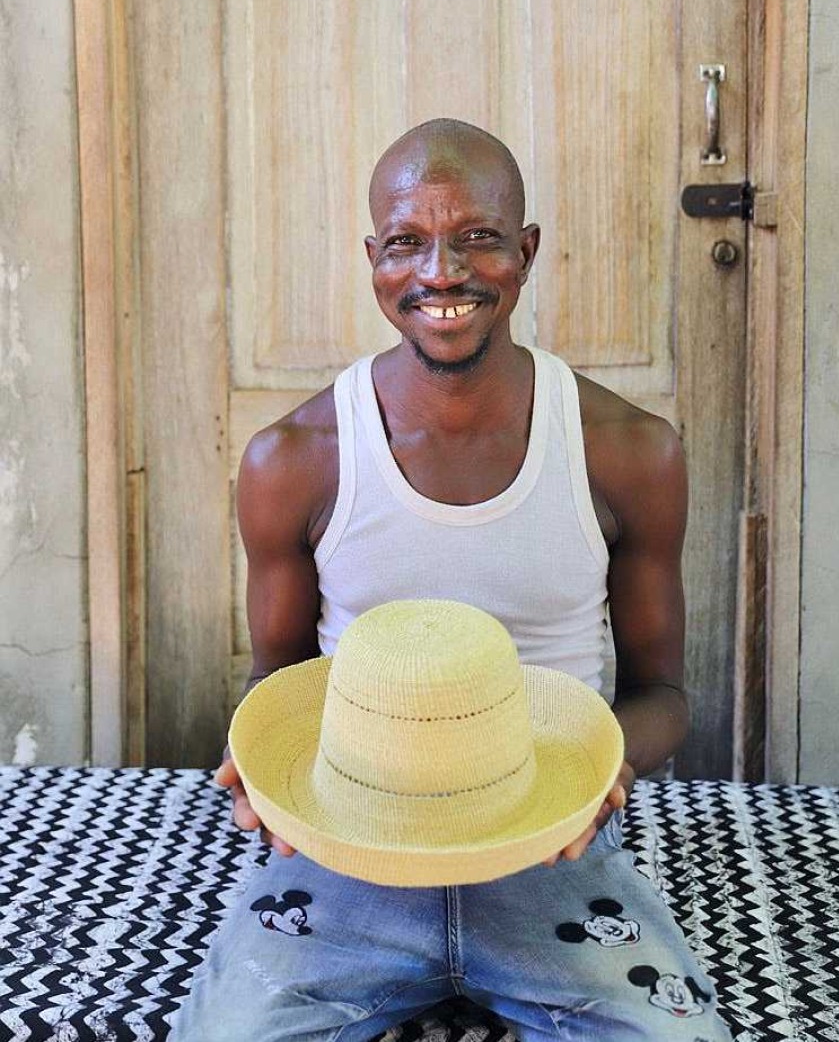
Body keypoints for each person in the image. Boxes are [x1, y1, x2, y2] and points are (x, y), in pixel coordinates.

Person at [170, 118, 732, 1041]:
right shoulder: (293, 459)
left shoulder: (629, 451)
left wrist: (602, 772)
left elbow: (662, 692)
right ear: (372, 259)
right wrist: (259, 778)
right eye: (406, 242)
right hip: (348, 847)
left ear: (526, 250)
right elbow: (276, 685)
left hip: (548, 839)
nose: (440, 272)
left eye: (476, 235)